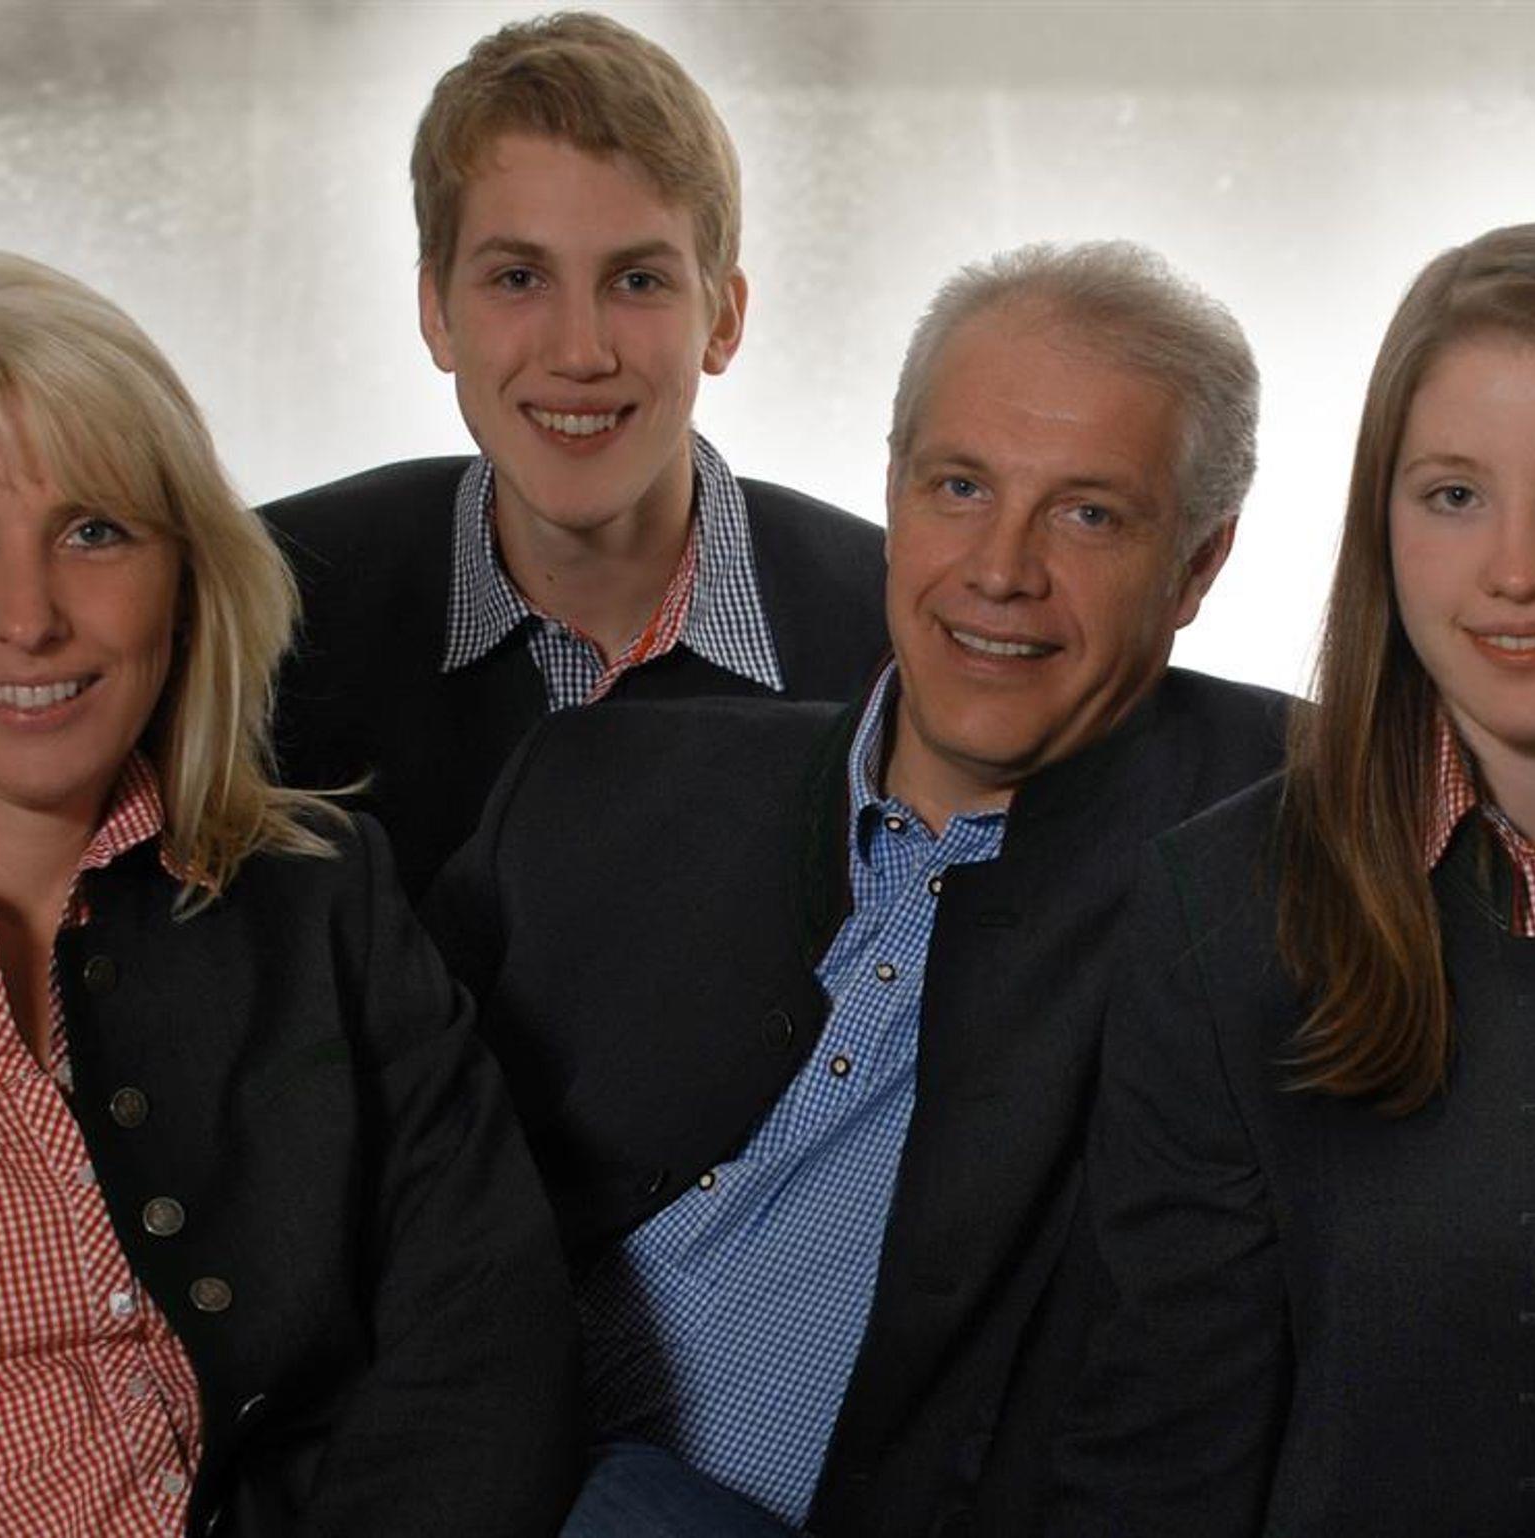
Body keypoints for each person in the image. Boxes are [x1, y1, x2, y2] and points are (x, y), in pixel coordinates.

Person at [429, 239, 1288, 1537]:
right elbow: (359, 1200)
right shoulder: (596, 784)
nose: (999, 569)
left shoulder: (1280, 858)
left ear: (1200, 564)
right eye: (960, 486)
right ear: (892, 486)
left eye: (1088, 515)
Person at [0, 252, 578, 1537]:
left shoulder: (318, 899)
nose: (29, 616)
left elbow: (486, 1343)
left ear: (184, 572)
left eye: (93, 530)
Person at [1045, 223, 1535, 1537]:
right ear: (1381, 523)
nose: (1515, 569)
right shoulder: (1223, 909)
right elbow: (1160, 1459)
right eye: (1452, 494)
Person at [264, 11, 888, 904]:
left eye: (637, 281)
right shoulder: (273, 611)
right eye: (519, 279)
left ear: (723, 318)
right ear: (437, 313)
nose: (580, 352)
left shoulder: (895, 638)